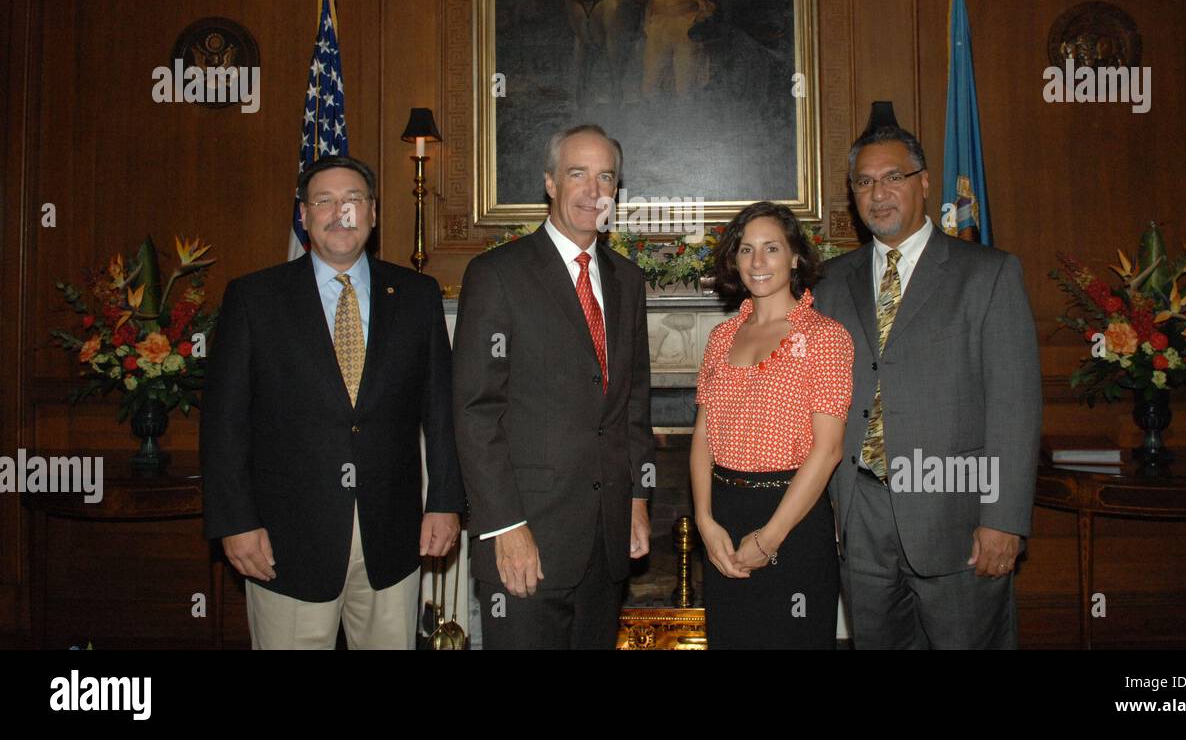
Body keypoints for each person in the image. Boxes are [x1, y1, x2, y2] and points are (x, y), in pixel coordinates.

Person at [201, 155, 464, 649]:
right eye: (324, 200)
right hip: (286, 543)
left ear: (373, 213)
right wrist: (235, 522)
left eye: (353, 200)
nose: (339, 212)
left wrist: (446, 502)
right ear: (303, 215)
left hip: (392, 538)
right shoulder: (254, 299)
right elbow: (224, 423)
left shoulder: (417, 295)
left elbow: (441, 411)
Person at [815, 122, 1042, 649]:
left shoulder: (987, 274)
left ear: (924, 183)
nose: (879, 193)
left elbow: (1015, 407)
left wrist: (1004, 520)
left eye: (893, 177)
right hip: (860, 514)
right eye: (865, 183)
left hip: (956, 514)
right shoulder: (828, 282)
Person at [454, 124, 654, 649]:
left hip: (606, 541)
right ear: (549, 183)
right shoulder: (497, 274)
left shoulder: (627, 281)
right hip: (527, 538)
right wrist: (503, 526)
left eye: (605, 176)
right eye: (577, 174)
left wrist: (635, 498)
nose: (593, 191)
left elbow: (632, 404)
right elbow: (476, 411)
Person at [691, 201, 853, 649]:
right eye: (745, 250)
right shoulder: (722, 336)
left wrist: (770, 539)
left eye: (771, 248)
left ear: (796, 256)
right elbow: (703, 435)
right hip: (724, 518)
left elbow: (828, 451)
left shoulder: (826, 337)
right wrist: (705, 520)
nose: (757, 262)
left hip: (794, 520)